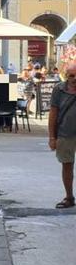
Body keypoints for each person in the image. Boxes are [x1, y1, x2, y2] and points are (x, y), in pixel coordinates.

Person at [49, 61, 76, 209]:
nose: (74, 79)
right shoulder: (59, 89)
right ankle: (69, 197)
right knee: (67, 165)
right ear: (66, 76)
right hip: (65, 133)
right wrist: (52, 137)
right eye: (71, 76)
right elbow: (53, 114)